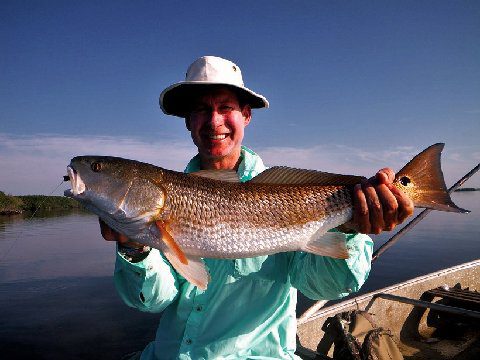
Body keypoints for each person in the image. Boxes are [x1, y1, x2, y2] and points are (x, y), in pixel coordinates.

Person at [100, 56, 414, 359]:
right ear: (189, 122)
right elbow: (155, 300)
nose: (213, 121)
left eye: (226, 108)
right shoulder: (162, 208)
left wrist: (350, 228)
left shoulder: (281, 189)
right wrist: (134, 249)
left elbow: (323, 286)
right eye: (201, 110)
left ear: (246, 115)